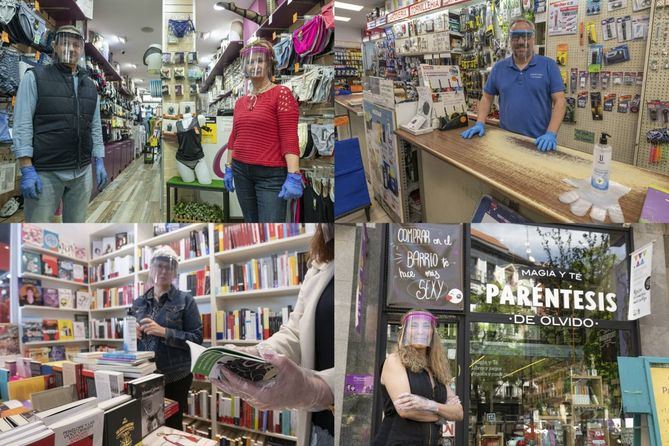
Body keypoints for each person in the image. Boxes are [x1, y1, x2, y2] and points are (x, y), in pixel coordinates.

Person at [212, 224, 334, 446]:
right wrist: (256, 354)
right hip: (318, 424)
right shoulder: (320, 263)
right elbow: (294, 332)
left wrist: (316, 388)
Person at [12, 25, 108, 222]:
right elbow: (22, 123)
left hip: (82, 173)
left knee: (75, 229)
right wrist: (26, 167)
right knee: (38, 232)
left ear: (81, 50)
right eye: (65, 43)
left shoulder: (90, 86)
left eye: (76, 45)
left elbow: (95, 126)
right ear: (55, 46)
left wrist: (99, 159)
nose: (71, 49)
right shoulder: (35, 77)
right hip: (46, 172)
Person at [222, 39, 303, 222]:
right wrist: (228, 168)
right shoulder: (240, 102)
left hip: (270, 175)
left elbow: (289, 137)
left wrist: (294, 174)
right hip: (241, 171)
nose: (254, 65)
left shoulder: (281, 93)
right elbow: (234, 136)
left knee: (271, 225)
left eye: (260, 60)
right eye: (250, 61)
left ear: (269, 64)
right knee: (251, 223)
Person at [461, 18, 566, 152]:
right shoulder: (499, 68)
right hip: (506, 140)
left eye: (526, 36)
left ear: (533, 38)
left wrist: (551, 133)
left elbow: (560, 101)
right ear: (510, 40)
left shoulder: (548, 65)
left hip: (539, 142)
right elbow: (487, 97)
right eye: (516, 37)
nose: (521, 41)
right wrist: (480, 122)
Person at [131, 245, 203, 430]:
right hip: (144, 375)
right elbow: (132, 340)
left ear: (174, 272)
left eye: (169, 267)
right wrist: (132, 333)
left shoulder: (186, 300)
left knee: (172, 424)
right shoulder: (138, 303)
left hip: (176, 376)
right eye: (159, 266)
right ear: (151, 268)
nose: (163, 271)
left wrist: (164, 332)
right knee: (146, 424)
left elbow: (196, 338)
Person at [373, 309, 463, 446]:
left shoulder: (436, 368)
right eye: (414, 326)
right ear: (404, 332)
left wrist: (430, 405)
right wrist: (442, 415)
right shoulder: (395, 360)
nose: (420, 331)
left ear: (432, 333)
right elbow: (406, 410)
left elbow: (458, 413)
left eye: (426, 326)